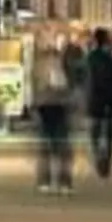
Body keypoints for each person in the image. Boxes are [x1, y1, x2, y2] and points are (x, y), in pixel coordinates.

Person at [30, 27, 78, 193]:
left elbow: (35, 84)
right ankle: (61, 180)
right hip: (55, 103)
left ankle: (49, 180)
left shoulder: (39, 62)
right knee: (59, 143)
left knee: (49, 143)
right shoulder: (60, 60)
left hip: (49, 104)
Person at [85, 27, 112, 179]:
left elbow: (87, 80)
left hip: (95, 99)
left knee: (95, 130)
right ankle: (106, 159)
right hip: (108, 100)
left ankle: (98, 157)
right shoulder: (110, 59)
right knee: (108, 131)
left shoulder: (90, 58)